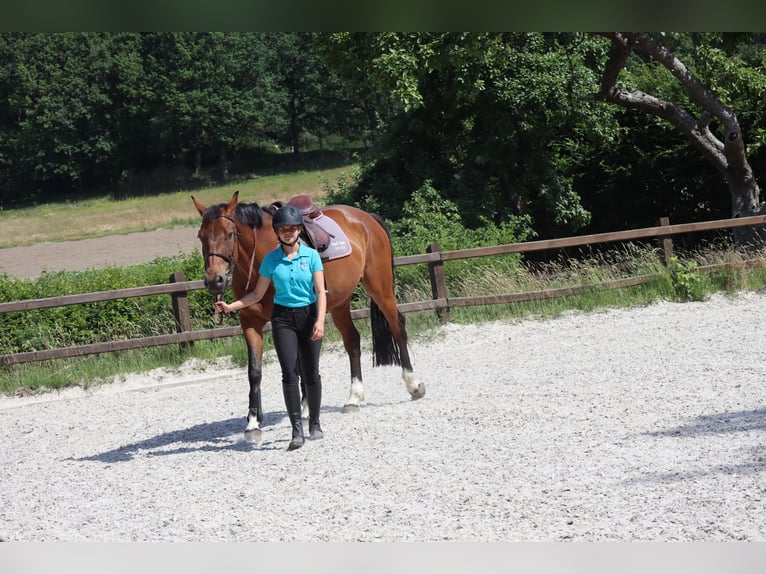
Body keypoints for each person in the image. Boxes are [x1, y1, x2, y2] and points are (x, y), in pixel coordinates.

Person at [214, 205, 326, 451]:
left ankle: (315, 423)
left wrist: (319, 320)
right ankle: (297, 431)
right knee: (289, 373)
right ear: (277, 232)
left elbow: (320, 291)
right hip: (283, 319)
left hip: (308, 317)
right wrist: (231, 306)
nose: (288, 233)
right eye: (283, 229)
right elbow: (256, 293)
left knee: (312, 374)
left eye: (292, 229)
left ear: (298, 230)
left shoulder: (311, 256)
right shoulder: (271, 261)